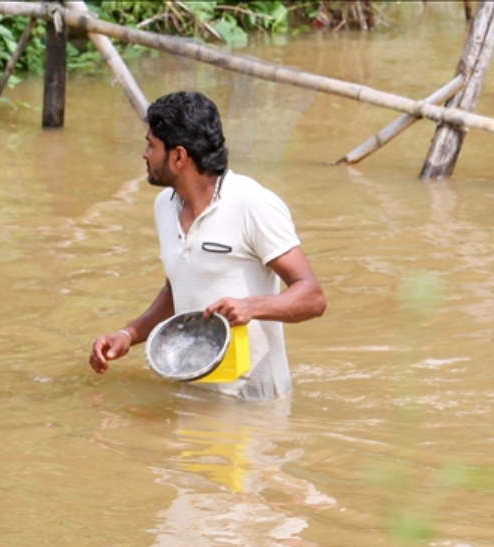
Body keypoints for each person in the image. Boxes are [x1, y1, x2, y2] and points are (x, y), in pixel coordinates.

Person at [89, 91, 326, 401]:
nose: (145, 154)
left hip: (256, 404)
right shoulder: (164, 206)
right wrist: (128, 334)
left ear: (179, 156)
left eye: (151, 145)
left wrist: (252, 306)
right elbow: (178, 290)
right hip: (191, 396)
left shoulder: (251, 204)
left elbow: (313, 296)